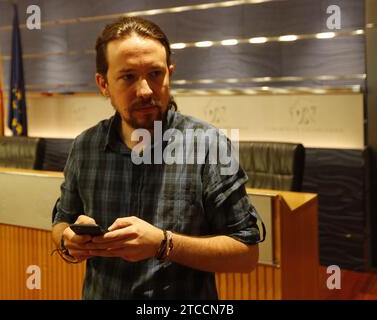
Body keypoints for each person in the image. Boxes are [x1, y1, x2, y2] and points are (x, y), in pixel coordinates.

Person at [52, 16, 264, 300]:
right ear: (103, 84)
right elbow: (61, 222)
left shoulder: (208, 145)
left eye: (155, 74)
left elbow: (246, 255)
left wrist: (163, 245)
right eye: (128, 77)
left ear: (170, 73)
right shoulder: (85, 147)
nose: (146, 91)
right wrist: (69, 241)